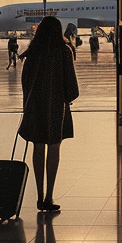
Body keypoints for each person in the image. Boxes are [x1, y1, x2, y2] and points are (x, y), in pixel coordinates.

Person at [20, 16, 80, 213]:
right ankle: (49, 195)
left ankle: (38, 194)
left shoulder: (33, 53)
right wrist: (66, 97)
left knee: (38, 147)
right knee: (54, 147)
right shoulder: (63, 51)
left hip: (35, 107)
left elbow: (25, 82)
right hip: (56, 107)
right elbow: (72, 87)